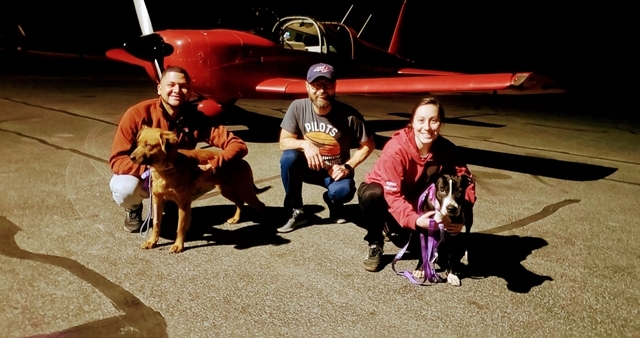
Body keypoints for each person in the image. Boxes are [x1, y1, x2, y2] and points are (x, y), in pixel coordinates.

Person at [109, 66, 249, 232]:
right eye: (171, 85)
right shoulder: (137, 114)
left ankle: (172, 203)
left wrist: (212, 167)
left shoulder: (196, 118)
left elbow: (238, 145)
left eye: (183, 86)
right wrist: (153, 168)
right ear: (160, 88)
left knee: (205, 175)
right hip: (147, 174)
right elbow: (117, 160)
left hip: (179, 176)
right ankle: (133, 208)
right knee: (125, 188)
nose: (177, 90)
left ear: (190, 92)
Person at [357, 97, 476, 272]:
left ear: (440, 123)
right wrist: (415, 220)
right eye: (421, 120)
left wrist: (460, 216)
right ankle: (375, 242)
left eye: (433, 121)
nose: (427, 127)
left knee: (417, 239)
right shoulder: (395, 149)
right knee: (373, 194)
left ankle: (395, 227)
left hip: (414, 197)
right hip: (385, 195)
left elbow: (466, 181)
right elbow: (393, 196)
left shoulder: (446, 149)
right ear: (412, 122)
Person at [277, 63, 375, 233]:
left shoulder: (350, 116)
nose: (322, 90)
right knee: (288, 158)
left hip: (334, 170)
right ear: (307, 86)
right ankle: (296, 209)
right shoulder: (298, 107)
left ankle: (333, 202)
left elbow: (368, 144)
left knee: (344, 191)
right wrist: (305, 144)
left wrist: (348, 166)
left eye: (327, 85)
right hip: (308, 166)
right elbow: (283, 142)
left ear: (334, 87)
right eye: (316, 85)